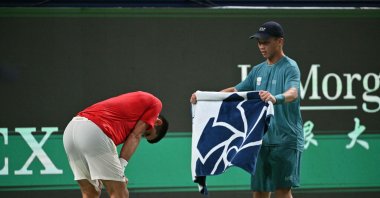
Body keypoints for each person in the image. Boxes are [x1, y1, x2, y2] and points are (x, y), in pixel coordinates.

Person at [190, 21, 303, 198]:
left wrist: (276, 98)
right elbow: (235, 91)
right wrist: (204, 98)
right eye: (259, 42)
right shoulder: (257, 70)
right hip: (260, 140)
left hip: (285, 140)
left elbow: (293, 92)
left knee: (282, 191)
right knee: (259, 191)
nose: (261, 46)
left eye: (266, 42)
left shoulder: (290, 67)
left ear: (279, 41)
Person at [63, 91, 169, 198]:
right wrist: (121, 169)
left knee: (90, 192)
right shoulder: (155, 104)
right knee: (120, 193)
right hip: (94, 130)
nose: (143, 133)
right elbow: (135, 135)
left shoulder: (130, 113)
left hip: (71, 131)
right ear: (157, 122)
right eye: (147, 132)